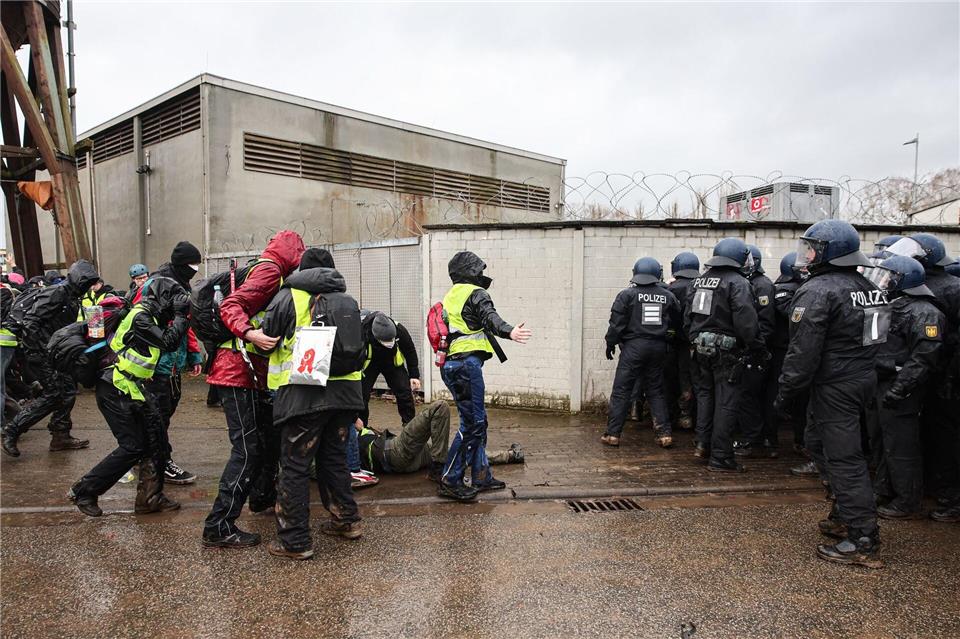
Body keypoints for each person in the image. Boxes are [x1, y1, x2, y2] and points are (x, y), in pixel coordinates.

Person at [775, 220, 886, 568]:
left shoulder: (818, 291)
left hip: (835, 386)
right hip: (862, 380)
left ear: (830, 252)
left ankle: (863, 539)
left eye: (813, 249)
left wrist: (786, 393)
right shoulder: (869, 287)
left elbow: (802, 352)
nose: (807, 254)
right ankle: (843, 513)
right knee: (820, 444)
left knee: (845, 460)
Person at [201, 230, 305, 549]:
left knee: (262, 441)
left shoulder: (266, 269)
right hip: (236, 370)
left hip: (244, 370)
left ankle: (261, 497)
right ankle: (218, 525)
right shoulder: (270, 272)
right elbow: (232, 305)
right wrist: (251, 334)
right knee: (247, 448)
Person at [261, 254, 365, 560]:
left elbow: (268, 338)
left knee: (295, 465)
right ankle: (346, 521)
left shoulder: (288, 297)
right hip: (346, 396)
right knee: (334, 459)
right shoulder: (346, 299)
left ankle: (294, 541)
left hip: (304, 395)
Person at [67, 277, 190, 516]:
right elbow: (169, 342)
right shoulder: (141, 317)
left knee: (156, 442)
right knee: (133, 447)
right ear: (164, 299)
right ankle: (84, 491)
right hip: (114, 388)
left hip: (132, 387)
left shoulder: (151, 316)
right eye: (174, 300)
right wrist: (181, 316)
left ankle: (150, 499)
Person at [436, 251, 531, 502]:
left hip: (452, 365)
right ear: (470, 271)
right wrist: (509, 332)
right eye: (479, 269)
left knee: (478, 422)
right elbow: (490, 318)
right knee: (472, 425)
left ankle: (480, 475)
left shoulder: (451, 295)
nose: (482, 273)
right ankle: (450, 479)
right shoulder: (476, 293)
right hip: (466, 366)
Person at [884, 234, 960, 522]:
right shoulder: (909, 287)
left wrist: (950, 376)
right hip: (923, 375)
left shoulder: (952, 288)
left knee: (946, 439)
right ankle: (927, 487)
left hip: (944, 375)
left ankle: (952, 498)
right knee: (920, 436)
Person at [862, 256, 944, 519]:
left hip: (900, 388)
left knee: (901, 447)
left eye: (888, 277)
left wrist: (900, 389)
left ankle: (908, 501)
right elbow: (871, 346)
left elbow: (923, 358)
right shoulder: (886, 305)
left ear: (903, 280)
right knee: (880, 442)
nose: (883, 282)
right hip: (878, 384)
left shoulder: (925, 312)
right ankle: (884, 488)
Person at [1, 260, 100, 457]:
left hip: (55, 352)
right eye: (86, 283)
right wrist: (37, 353)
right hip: (43, 353)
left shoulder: (71, 297)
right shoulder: (58, 293)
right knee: (54, 394)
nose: (88, 287)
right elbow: (31, 322)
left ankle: (60, 435)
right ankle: (12, 430)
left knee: (68, 391)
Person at [684, 238, 763, 472]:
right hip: (727, 352)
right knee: (726, 403)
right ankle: (720, 457)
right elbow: (746, 322)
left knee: (706, 398)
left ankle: (702, 445)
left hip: (700, 349)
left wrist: (695, 339)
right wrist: (757, 347)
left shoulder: (698, 281)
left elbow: (688, 317)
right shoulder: (738, 282)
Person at [602, 257, 680, 448]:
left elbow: (616, 325)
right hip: (658, 348)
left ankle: (613, 434)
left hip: (633, 348)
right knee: (656, 391)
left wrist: (611, 343)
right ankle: (664, 434)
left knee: (622, 390)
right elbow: (677, 323)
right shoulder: (668, 296)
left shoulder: (626, 295)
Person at [145, 241, 205, 485]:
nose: (195, 270)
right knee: (157, 418)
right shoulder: (160, 285)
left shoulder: (179, 284)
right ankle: (160, 463)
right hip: (157, 366)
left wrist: (193, 355)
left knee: (163, 415)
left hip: (171, 364)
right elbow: (147, 326)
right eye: (193, 265)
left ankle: (149, 458)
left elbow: (184, 323)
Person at [356, 400, 523, 479]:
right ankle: (438, 468)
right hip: (395, 452)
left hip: (407, 460)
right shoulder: (349, 435)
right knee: (440, 407)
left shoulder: (352, 434)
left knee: (455, 455)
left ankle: (509, 455)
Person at [733, 245, 777, 458]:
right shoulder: (747, 282)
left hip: (756, 351)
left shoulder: (762, 285)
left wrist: (754, 347)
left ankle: (754, 439)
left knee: (750, 396)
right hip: (750, 349)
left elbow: (765, 324)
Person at [359, 311, 421, 426]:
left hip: (391, 362)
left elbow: (410, 351)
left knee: (404, 392)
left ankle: (409, 426)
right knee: (361, 395)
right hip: (370, 363)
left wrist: (414, 375)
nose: (389, 343)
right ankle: (361, 428)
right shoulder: (362, 331)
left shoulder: (399, 330)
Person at [666, 252, 700, 429]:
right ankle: (691, 416)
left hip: (675, 342)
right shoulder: (703, 285)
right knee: (695, 379)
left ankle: (676, 417)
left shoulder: (671, 289)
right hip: (696, 342)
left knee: (673, 379)